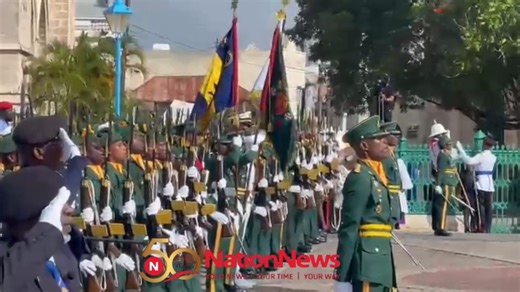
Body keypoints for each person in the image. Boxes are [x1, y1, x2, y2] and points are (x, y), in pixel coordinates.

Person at [334, 115, 397, 292]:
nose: (386, 143)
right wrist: (343, 276)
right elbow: (349, 229)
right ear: (364, 146)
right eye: (379, 139)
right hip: (367, 264)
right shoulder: (360, 178)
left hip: (381, 260)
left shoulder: (376, 175)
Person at [0, 166, 84, 291]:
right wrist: (46, 234)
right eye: (59, 205)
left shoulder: (61, 252)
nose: (70, 210)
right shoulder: (9, 261)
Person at [456, 133, 497, 233]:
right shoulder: (493, 158)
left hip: (481, 183)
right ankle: (488, 228)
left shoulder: (481, 156)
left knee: (481, 206)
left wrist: (462, 152)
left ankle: (481, 226)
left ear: (484, 145)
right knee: (489, 207)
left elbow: (469, 161)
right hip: (490, 185)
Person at [432, 135, 457, 236]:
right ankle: (441, 228)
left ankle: (441, 226)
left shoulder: (447, 155)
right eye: (448, 144)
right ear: (444, 145)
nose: (450, 146)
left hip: (449, 183)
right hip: (445, 184)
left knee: (444, 207)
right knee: (443, 207)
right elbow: (441, 171)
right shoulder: (442, 156)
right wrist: (438, 184)